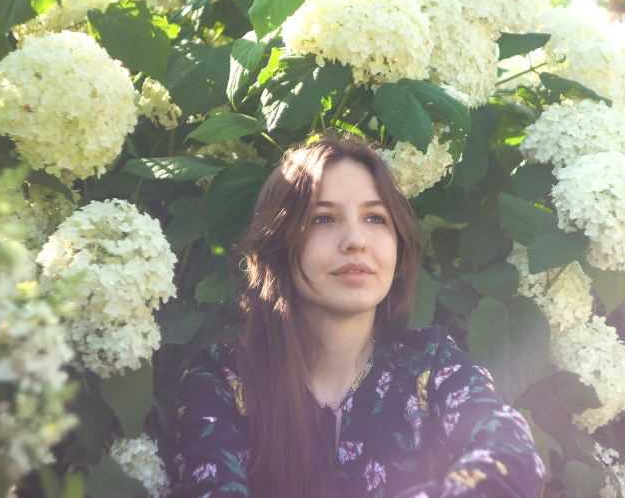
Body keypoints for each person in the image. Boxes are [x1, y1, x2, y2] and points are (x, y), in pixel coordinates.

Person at [171, 136, 546, 498]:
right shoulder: (221, 378)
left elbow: (512, 459)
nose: (355, 240)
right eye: (322, 218)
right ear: (279, 243)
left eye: (375, 218)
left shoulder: (432, 365)